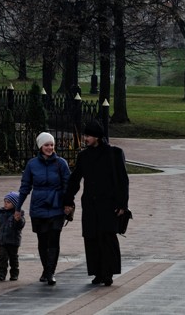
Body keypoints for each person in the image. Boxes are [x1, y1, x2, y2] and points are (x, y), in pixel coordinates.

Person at [64, 120, 129, 287]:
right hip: (90, 204)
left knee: (107, 237)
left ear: (98, 137)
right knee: (91, 238)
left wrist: (122, 204)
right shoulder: (84, 156)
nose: (85, 138)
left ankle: (108, 273)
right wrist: (68, 199)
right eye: (85, 135)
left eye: (88, 135)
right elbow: (75, 179)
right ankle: (97, 272)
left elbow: (123, 181)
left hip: (109, 204)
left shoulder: (114, 154)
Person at [17, 132, 71, 286]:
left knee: (54, 239)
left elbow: (68, 184)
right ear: (40, 146)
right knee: (43, 240)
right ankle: (46, 269)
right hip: (38, 207)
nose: (50, 148)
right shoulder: (32, 164)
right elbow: (25, 186)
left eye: (52, 145)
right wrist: (17, 207)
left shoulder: (61, 163)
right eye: (46, 145)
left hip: (56, 206)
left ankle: (50, 272)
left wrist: (68, 203)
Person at [0, 191, 25, 281]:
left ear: (15, 204)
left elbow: (20, 225)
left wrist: (18, 220)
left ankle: (14, 274)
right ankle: (1, 274)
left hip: (13, 241)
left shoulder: (18, 214)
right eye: (5, 202)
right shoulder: (1, 214)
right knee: (2, 258)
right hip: (3, 241)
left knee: (13, 259)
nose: (5, 204)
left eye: (8, 202)